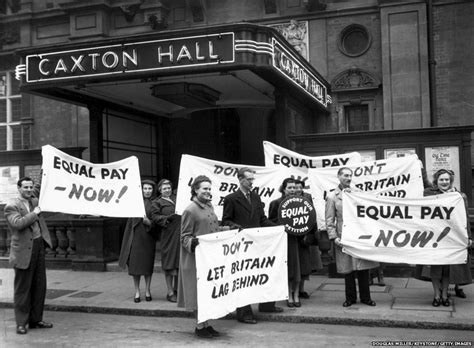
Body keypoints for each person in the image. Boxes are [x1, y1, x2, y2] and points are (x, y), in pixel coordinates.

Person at [221, 167, 281, 324]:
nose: (252, 182)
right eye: (249, 179)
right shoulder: (231, 199)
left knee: (261, 273)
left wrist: (278, 228)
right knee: (243, 278)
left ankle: (267, 305)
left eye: (253, 179)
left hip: (258, 243)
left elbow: (262, 219)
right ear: (241, 180)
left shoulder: (256, 196)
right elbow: (226, 220)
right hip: (241, 244)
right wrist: (236, 227)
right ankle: (244, 313)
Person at [177, 175, 229, 338]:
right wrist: (196, 244)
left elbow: (214, 228)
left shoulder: (209, 206)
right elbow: (184, 236)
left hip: (210, 258)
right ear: (195, 190)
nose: (208, 191)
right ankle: (199, 327)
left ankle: (206, 324)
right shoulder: (190, 210)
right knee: (199, 293)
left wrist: (229, 228)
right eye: (204, 188)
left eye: (209, 188)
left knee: (207, 292)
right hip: (196, 259)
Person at [4, 177, 53, 335]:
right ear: (18, 188)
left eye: (31, 187)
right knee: (22, 289)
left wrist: (45, 170)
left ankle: (35, 319)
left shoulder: (34, 200)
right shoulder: (11, 206)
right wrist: (35, 213)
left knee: (39, 286)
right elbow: (18, 223)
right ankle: (21, 323)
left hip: (38, 247)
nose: (29, 190)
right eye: (25, 187)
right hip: (23, 251)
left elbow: (41, 186)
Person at [325, 167, 378, 307]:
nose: (348, 178)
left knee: (363, 268)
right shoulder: (332, 196)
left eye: (350, 175)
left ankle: (366, 297)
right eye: (345, 175)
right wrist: (334, 237)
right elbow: (329, 220)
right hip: (343, 236)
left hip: (359, 235)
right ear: (338, 176)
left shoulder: (358, 193)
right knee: (347, 269)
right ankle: (350, 298)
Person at [418, 169, 472, 306]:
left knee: (447, 270)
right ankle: (436, 296)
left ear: (451, 181)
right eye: (441, 179)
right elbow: (420, 188)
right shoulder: (430, 194)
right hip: (434, 238)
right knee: (435, 270)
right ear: (436, 181)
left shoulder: (459, 196)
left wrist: (469, 237)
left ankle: (444, 296)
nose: (444, 182)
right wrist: (421, 170)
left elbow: (464, 218)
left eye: (447, 179)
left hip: (451, 238)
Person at [119, 179, 158, 303]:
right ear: (141, 189)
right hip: (135, 237)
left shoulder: (156, 203)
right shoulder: (134, 202)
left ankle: (147, 290)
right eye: (145, 188)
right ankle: (136, 291)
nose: (147, 191)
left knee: (147, 265)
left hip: (148, 237)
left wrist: (150, 223)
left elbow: (158, 223)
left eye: (149, 189)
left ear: (153, 190)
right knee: (135, 266)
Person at [269, 177, 303, 307]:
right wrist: (285, 225)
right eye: (290, 187)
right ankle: (289, 293)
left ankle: (296, 294)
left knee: (298, 267)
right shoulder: (275, 203)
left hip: (297, 239)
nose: (293, 190)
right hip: (284, 241)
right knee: (288, 268)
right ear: (283, 189)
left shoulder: (301, 202)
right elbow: (271, 221)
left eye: (294, 187)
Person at [151, 179, 180, 303]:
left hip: (179, 234)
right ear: (160, 190)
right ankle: (170, 292)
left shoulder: (177, 199)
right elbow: (154, 216)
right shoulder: (157, 203)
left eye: (168, 188)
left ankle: (177, 290)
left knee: (179, 263)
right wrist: (167, 218)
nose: (167, 190)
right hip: (168, 235)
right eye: (164, 188)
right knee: (169, 264)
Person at [294, 179, 321, 298]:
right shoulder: (289, 198)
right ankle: (292, 291)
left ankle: (301, 289)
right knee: (295, 264)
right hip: (293, 234)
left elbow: (311, 214)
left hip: (305, 234)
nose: (298, 189)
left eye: (300, 187)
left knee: (304, 264)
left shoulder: (307, 197)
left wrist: (311, 232)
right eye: (296, 187)